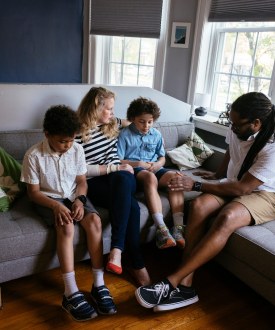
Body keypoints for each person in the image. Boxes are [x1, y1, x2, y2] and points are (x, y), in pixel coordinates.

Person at [135, 91, 275, 312]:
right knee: (198, 206)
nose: (232, 127)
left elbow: (243, 189)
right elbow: (231, 149)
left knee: (227, 217)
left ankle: (171, 282)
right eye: (231, 122)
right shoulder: (237, 128)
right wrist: (219, 173)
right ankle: (186, 286)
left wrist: (197, 185)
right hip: (234, 181)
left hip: (264, 193)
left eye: (237, 124)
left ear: (256, 123)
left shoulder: (272, 147)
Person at [21, 105, 117, 322]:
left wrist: (81, 201)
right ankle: (70, 291)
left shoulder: (77, 150)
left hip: (74, 194)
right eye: (62, 141)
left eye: (71, 140)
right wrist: (56, 206)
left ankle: (98, 284)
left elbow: (81, 181)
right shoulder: (33, 155)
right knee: (66, 226)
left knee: (94, 221)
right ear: (47, 134)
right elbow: (33, 193)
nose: (67, 146)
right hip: (48, 198)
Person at [75, 87, 151, 286]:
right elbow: (79, 169)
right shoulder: (76, 131)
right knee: (132, 207)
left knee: (124, 177)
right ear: (95, 109)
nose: (112, 113)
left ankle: (116, 249)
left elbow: (134, 123)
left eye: (112, 108)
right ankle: (136, 265)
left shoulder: (113, 123)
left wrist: (146, 127)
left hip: (119, 178)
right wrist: (113, 167)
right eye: (108, 108)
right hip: (94, 181)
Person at [117, 97, 185, 249]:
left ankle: (178, 229)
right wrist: (139, 164)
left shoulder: (156, 134)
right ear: (132, 118)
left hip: (155, 168)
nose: (146, 126)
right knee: (149, 177)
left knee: (177, 178)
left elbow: (162, 157)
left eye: (150, 121)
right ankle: (161, 230)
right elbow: (118, 160)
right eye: (142, 121)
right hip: (134, 171)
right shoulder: (124, 135)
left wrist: (158, 164)